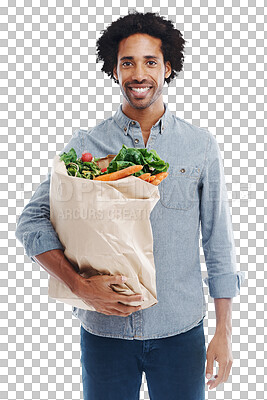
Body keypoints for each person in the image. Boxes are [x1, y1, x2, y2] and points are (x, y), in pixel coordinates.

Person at [15, 11, 245, 400]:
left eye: (150, 62)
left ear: (168, 68)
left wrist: (223, 332)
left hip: (181, 332)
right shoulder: (85, 146)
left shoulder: (199, 146)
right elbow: (32, 221)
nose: (139, 74)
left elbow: (217, 243)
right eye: (127, 62)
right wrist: (80, 287)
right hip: (104, 333)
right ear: (115, 70)